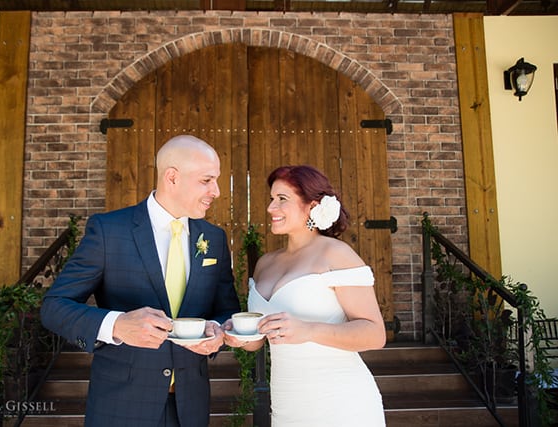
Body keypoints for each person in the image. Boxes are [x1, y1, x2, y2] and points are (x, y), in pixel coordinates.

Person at [41, 135, 241, 427]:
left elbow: (226, 310)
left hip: (191, 407)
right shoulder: (108, 231)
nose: (217, 191)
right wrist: (117, 324)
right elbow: (54, 306)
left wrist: (219, 332)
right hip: (121, 406)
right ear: (172, 177)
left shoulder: (213, 238)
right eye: (207, 180)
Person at [224, 165, 386, 426]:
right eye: (271, 199)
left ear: (312, 205)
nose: (270, 208)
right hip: (287, 404)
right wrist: (240, 337)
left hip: (341, 404)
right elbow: (259, 341)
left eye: (282, 199)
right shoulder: (265, 263)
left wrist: (309, 330)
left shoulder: (336, 254)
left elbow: (375, 334)